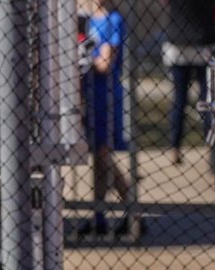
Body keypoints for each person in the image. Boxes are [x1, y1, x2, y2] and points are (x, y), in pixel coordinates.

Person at [81, 0, 133, 238]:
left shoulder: (113, 20)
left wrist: (82, 59)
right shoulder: (89, 20)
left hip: (106, 95)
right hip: (89, 94)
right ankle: (99, 216)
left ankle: (133, 209)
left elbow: (105, 63)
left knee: (104, 154)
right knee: (98, 159)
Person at [163, 0, 215, 164]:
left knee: (180, 100)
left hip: (180, 44)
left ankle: (175, 148)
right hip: (203, 43)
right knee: (207, 99)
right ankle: (211, 146)